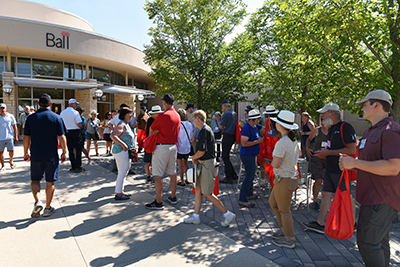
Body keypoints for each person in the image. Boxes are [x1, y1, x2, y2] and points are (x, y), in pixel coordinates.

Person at [339, 90, 400, 267]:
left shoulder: (391, 131)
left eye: (364, 104)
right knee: (379, 242)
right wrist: (351, 162)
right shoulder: (372, 131)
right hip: (372, 197)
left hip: (381, 198)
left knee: (367, 242)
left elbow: (393, 167)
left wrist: (355, 164)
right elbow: (371, 161)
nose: (361, 108)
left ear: (377, 105)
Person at [302, 102, 356, 234]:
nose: (321, 117)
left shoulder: (346, 127)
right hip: (329, 168)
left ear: (332, 114)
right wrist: (324, 153)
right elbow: (332, 147)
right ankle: (320, 223)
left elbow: (351, 149)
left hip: (341, 170)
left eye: (323, 114)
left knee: (346, 196)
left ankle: (353, 223)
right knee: (325, 194)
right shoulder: (331, 128)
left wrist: (328, 153)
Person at [183, 110, 236, 227]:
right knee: (198, 190)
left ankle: (227, 214)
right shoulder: (204, 130)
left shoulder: (205, 131)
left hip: (206, 164)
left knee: (207, 193)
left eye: (193, 118)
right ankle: (195, 216)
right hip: (203, 164)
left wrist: (193, 157)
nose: (192, 121)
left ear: (198, 118)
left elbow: (202, 151)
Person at [23, 93, 67, 218]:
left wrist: (25, 152)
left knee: (35, 179)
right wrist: (64, 151)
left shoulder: (31, 118)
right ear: (51, 104)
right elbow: (62, 136)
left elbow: (26, 137)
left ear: (38, 104)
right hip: (51, 155)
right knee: (50, 181)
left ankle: (37, 201)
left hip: (36, 154)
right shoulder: (56, 117)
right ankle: (47, 208)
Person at [268, 110, 300, 249]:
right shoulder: (292, 140)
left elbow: (275, 163)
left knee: (284, 210)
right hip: (285, 178)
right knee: (273, 203)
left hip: (284, 178)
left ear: (279, 125)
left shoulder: (282, 142)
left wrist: (273, 162)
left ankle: (289, 238)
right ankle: (284, 231)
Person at [145, 94, 180, 210]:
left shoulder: (163, 116)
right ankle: (173, 196)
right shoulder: (177, 115)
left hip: (161, 147)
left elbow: (152, 128)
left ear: (164, 102)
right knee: (172, 172)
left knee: (158, 175)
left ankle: (159, 202)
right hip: (173, 147)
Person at [239, 109, 265, 208]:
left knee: (251, 175)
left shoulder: (254, 126)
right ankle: (243, 198)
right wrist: (256, 142)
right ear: (252, 119)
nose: (258, 121)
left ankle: (249, 194)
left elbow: (263, 129)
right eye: (257, 119)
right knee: (249, 176)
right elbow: (244, 143)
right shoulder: (247, 128)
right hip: (247, 155)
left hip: (252, 155)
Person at [110, 107, 135, 200]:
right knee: (122, 172)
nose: (132, 115)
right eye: (130, 113)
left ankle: (120, 191)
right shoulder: (121, 124)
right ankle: (119, 193)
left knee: (123, 172)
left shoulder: (126, 124)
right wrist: (123, 144)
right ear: (125, 115)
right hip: (121, 151)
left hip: (125, 152)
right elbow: (113, 135)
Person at [305, 121, 328, 211]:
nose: (322, 122)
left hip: (328, 159)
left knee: (327, 181)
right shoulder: (317, 130)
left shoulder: (333, 131)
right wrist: (307, 148)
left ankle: (325, 201)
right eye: (322, 120)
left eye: (324, 119)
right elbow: (308, 139)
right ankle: (314, 201)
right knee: (318, 180)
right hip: (317, 159)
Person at [60, 98, 84, 172]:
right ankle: (78, 165)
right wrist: (82, 128)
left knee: (70, 149)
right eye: (75, 104)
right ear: (72, 104)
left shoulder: (62, 113)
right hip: (75, 131)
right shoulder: (75, 112)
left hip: (67, 132)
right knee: (78, 149)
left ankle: (73, 166)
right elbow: (79, 124)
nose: (76, 106)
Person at [219, 100, 238, 184]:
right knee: (226, 156)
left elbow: (220, 126)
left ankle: (229, 176)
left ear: (224, 106)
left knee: (225, 157)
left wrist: (223, 126)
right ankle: (233, 174)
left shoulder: (226, 114)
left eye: (222, 106)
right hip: (232, 136)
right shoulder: (234, 113)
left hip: (227, 136)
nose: (222, 108)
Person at [144, 105, 163, 183]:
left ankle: (154, 176)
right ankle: (149, 176)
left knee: (154, 161)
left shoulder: (157, 120)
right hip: (151, 142)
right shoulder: (151, 120)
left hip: (155, 142)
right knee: (148, 161)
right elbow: (152, 131)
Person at [176, 108, 193, 186]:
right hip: (187, 146)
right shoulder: (189, 124)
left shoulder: (178, 125)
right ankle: (188, 179)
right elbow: (190, 135)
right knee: (186, 164)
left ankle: (182, 181)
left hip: (179, 147)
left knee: (180, 165)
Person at [0, 103, 18, 171]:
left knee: (11, 151)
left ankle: (11, 161)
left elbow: (14, 126)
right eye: (1, 108)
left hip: (9, 137)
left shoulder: (10, 116)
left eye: (3, 108)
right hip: (1, 138)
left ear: (6, 109)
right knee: (0, 152)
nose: (2, 109)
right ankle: (3, 165)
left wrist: (16, 136)